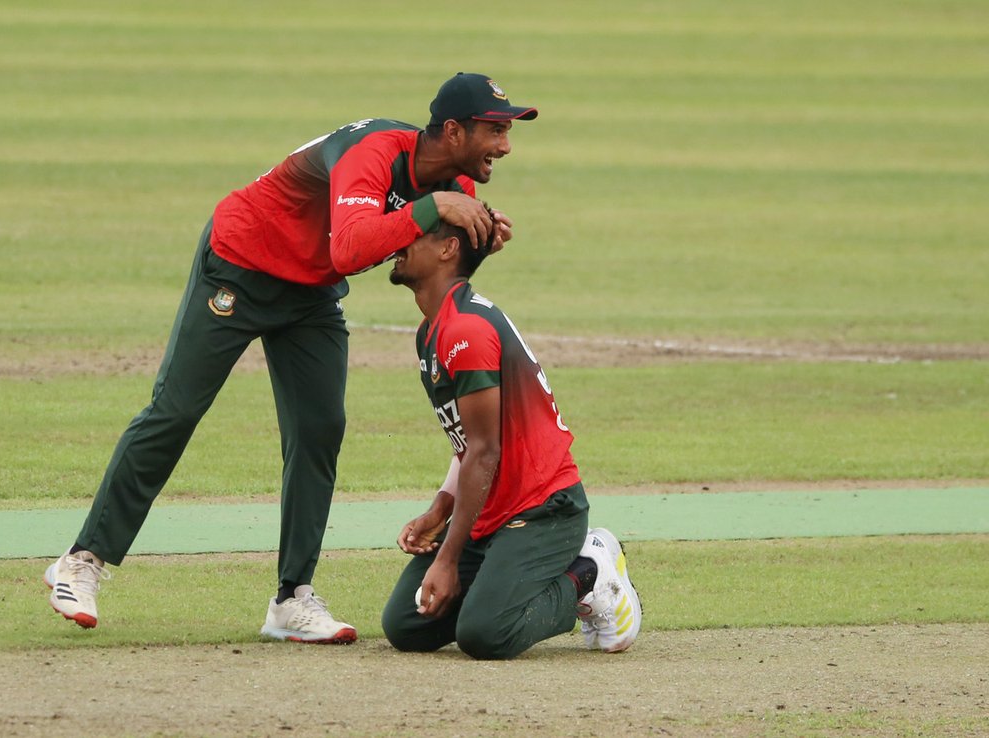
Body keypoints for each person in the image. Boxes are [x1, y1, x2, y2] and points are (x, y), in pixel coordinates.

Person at [44, 73, 538, 644]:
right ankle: (83, 561)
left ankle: (291, 598)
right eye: (494, 130)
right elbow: (350, 247)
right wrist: (433, 209)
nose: (504, 145)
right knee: (176, 411)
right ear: (453, 131)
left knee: (319, 428)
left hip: (310, 293)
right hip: (239, 263)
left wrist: (477, 238)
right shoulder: (373, 152)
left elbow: (426, 255)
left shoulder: (454, 187)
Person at [379, 217, 642, 659]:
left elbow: (485, 451)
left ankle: (589, 573)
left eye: (412, 236)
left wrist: (446, 558)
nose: (395, 243)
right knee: (406, 625)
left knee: (486, 633)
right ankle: (501, 582)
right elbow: (468, 442)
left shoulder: (467, 330)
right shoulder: (432, 331)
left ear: (447, 250)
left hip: (543, 510)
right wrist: (439, 509)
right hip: (489, 511)